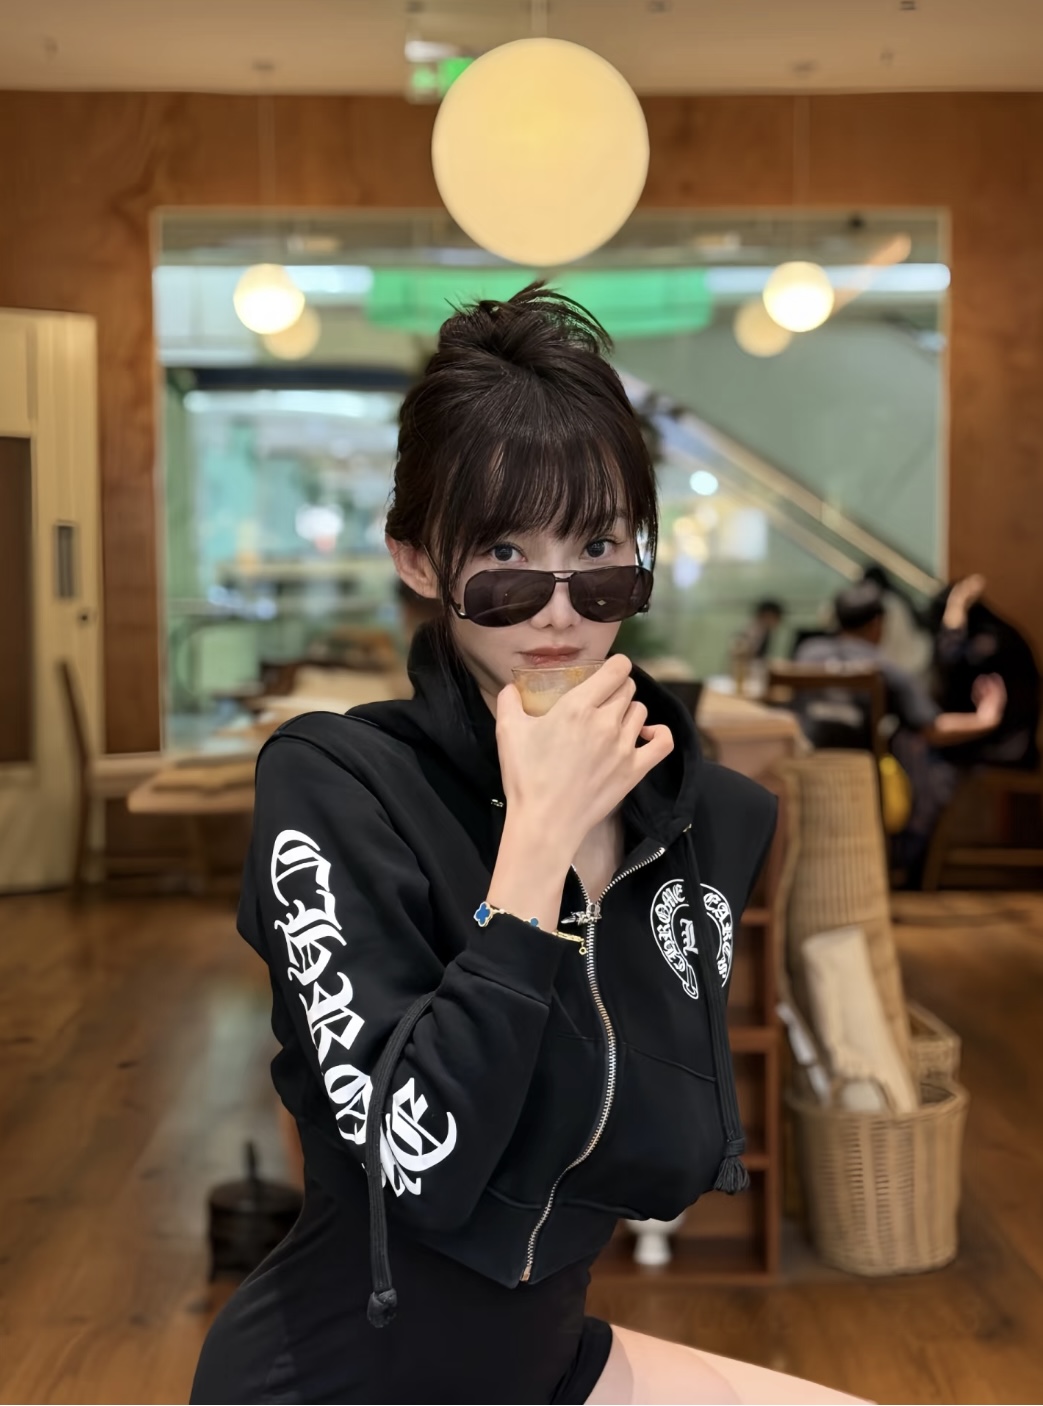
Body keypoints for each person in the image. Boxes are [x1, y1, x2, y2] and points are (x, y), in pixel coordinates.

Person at [191, 285, 859, 1405]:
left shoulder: (706, 820)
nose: (558, 608)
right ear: (417, 560)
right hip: (335, 1381)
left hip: (537, 1366)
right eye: (504, 552)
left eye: (597, 549)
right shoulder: (334, 786)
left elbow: (660, 1156)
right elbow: (420, 1169)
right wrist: (538, 846)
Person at [795, 580, 1007, 883]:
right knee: (916, 760)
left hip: (800, 772)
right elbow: (932, 729)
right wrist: (986, 718)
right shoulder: (883, 667)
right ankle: (904, 866)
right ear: (877, 624)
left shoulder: (807, 652)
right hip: (858, 781)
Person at [930, 573, 1040, 769]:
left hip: (1001, 750)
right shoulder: (995, 634)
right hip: (1008, 746)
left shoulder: (989, 643)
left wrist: (955, 610)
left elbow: (948, 661)